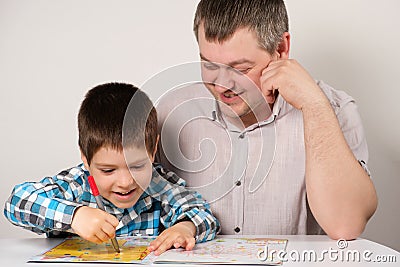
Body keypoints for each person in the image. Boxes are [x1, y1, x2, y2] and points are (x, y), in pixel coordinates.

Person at [156, 0, 377, 240]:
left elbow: (345, 226)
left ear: (281, 48)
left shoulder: (334, 110)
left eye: (240, 69)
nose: (222, 84)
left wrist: (314, 106)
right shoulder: (172, 111)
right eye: (209, 65)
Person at [4, 82, 220, 256]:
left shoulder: (159, 186)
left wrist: (185, 228)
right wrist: (75, 216)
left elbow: (201, 212)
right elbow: (17, 202)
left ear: (153, 149)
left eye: (137, 166)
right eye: (108, 170)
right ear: (85, 158)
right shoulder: (76, 186)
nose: (125, 182)